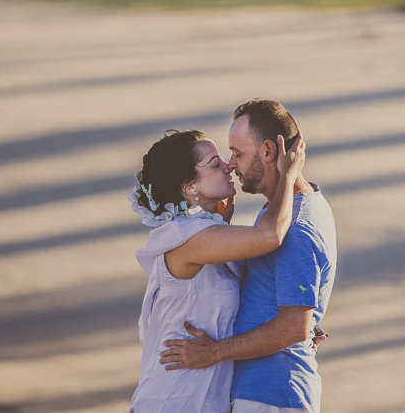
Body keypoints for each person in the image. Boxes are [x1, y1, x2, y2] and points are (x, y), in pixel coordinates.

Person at [159, 99, 338, 413]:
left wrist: (215, 352)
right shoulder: (282, 211)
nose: (231, 164)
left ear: (269, 152)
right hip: (265, 393)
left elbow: (294, 326)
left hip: (273, 395)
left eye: (237, 153)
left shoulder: (294, 226)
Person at [129, 127, 305, 413]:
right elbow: (270, 235)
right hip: (173, 400)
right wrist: (288, 175)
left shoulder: (207, 235)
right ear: (189, 186)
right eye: (214, 163)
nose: (229, 166)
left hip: (204, 400)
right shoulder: (186, 237)